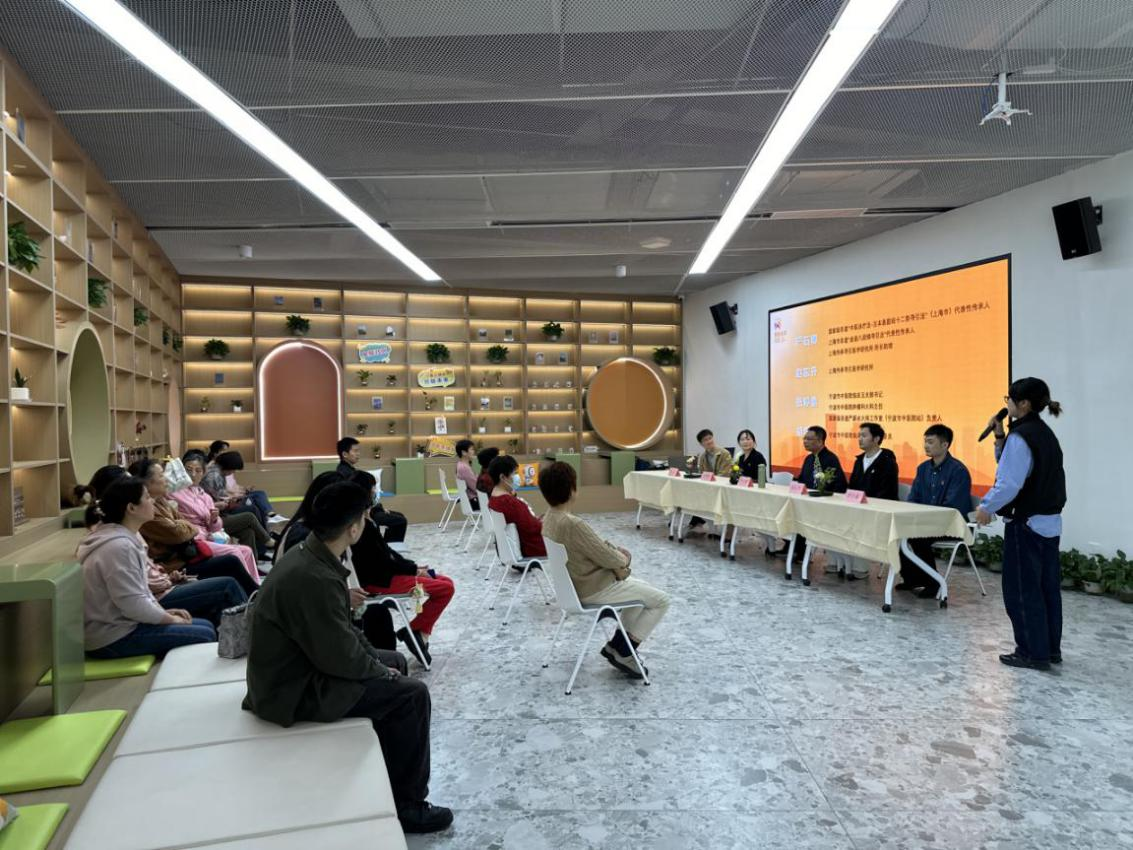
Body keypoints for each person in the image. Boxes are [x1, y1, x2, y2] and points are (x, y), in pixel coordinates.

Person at [243, 482, 453, 834]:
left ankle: (390, 778)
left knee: (396, 663)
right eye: (364, 517)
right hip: (290, 689)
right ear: (353, 528)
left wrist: (381, 666)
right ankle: (409, 805)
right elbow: (339, 656)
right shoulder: (314, 576)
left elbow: (343, 634)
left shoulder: (313, 557)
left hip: (298, 668)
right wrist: (380, 672)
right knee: (412, 695)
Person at [540, 462, 670, 679]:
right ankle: (625, 651)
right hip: (594, 589)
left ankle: (616, 646)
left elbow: (595, 550)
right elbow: (609, 557)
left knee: (641, 590)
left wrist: (612, 553)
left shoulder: (549, 519)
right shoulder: (573, 524)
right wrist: (624, 558)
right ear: (572, 489)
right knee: (661, 600)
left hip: (573, 589)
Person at [80, 476, 228, 658]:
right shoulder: (119, 547)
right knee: (205, 634)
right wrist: (170, 619)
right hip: (112, 637)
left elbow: (138, 593)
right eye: (147, 497)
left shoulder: (121, 537)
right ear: (131, 508)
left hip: (124, 624)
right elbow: (132, 603)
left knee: (206, 625)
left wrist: (163, 612)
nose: (152, 501)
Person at [975, 378, 1066, 671]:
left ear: (1023, 403)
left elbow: (1009, 482)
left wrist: (986, 507)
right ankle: (1049, 649)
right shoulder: (1043, 433)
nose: (1008, 404)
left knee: (1022, 590)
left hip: (1026, 525)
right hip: (1048, 523)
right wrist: (999, 435)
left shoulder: (1022, 436)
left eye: (1009, 399)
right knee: (1046, 589)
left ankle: (1031, 652)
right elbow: (1016, 468)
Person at [81, 465, 246, 626]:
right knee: (226, 583)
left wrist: (168, 579)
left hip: (161, 586)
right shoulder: (119, 543)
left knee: (212, 614)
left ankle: (245, 619)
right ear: (128, 503)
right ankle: (251, 621)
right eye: (146, 496)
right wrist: (169, 614)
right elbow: (134, 597)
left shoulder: (126, 529)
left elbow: (141, 577)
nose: (151, 501)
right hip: (137, 612)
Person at [275, 471, 396, 652]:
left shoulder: (318, 535)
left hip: (323, 620)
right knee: (378, 621)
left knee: (378, 616)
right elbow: (304, 598)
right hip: (306, 635)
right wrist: (344, 597)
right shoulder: (306, 539)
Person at [349, 470, 455, 666]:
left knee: (445, 581)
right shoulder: (362, 527)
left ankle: (418, 632)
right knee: (446, 588)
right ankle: (414, 631)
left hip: (387, 575)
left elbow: (387, 552)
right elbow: (385, 562)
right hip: (381, 582)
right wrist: (414, 570)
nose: (376, 493)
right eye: (373, 490)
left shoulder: (366, 522)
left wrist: (414, 567)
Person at [128, 459, 260, 596]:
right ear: (145, 482)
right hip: (177, 562)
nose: (193, 474)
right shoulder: (151, 507)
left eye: (198, 470)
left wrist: (208, 521)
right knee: (233, 557)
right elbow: (178, 533)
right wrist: (189, 527)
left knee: (246, 538)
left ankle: (255, 592)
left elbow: (186, 523)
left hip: (190, 548)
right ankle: (254, 595)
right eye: (161, 475)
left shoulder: (163, 500)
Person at [899, 424, 974, 598]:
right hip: (927, 523)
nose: (926, 445)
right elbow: (913, 499)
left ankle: (933, 583)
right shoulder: (923, 469)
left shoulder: (958, 471)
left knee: (918, 536)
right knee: (896, 533)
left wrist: (925, 519)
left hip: (952, 525)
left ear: (945, 445)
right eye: (925, 441)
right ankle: (912, 579)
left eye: (931, 442)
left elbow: (953, 508)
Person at [201, 451, 273, 558]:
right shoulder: (213, 476)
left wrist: (235, 496)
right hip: (216, 516)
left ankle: (252, 560)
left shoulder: (216, 472)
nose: (233, 472)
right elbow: (220, 498)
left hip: (220, 511)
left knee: (248, 531)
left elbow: (221, 495)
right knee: (251, 513)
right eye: (233, 469)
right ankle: (267, 540)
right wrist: (234, 497)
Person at [336, 437, 407, 543]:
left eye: (358, 451)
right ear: (345, 454)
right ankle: (386, 548)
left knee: (399, 517)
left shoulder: (348, 470)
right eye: (355, 451)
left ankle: (386, 545)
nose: (358, 454)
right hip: (362, 513)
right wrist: (377, 509)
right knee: (400, 521)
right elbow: (360, 499)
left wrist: (378, 507)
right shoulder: (346, 474)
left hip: (368, 508)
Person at [487, 455, 547, 559]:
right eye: (514, 473)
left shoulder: (494, 499)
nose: (517, 476)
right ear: (502, 477)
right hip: (533, 549)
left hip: (516, 549)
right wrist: (545, 522)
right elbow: (533, 528)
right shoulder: (509, 503)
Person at [687, 429, 734, 533]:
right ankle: (699, 520)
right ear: (701, 444)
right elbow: (702, 474)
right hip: (709, 487)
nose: (709, 441)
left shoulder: (724, 453)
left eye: (710, 438)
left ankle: (697, 521)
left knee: (702, 497)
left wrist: (710, 483)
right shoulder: (702, 457)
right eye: (705, 440)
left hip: (722, 487)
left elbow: (725, 474)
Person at [848, 422, 899, 500]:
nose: (860, 439)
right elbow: (852, 487)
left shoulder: (888, 463)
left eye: (864, 436)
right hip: (857, 504)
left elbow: (887, 492)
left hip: (879, 505)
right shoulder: (858, 461)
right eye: (859, 436)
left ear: (876, 439)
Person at [796, 425, 847, 494]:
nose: (805, 441)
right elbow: (801, 481)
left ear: (820, 441)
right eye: (804, 438)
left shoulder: (831, 459)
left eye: (809, 439)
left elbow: (839, 485)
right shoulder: (808, 459)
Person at [454, 439, 480, 511]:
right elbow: (476, 487)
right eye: (471, 449)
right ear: (464, 452)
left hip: (471, 499)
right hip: (474, 501)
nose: (473, 452)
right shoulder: (464, 468)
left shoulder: (461, 465)